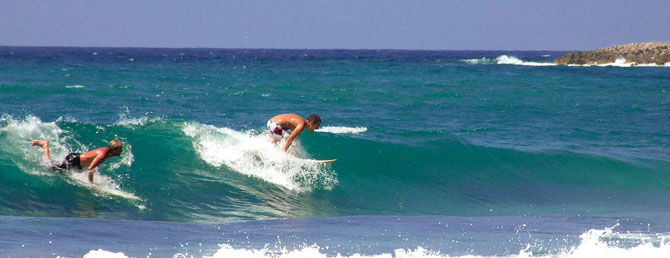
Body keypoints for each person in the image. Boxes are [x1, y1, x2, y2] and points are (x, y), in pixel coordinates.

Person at [31, 139, 123, 183]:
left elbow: (95, 163)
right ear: (114, 150)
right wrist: (91, 184)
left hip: (78, 162)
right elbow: (91, 169)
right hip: (73, 160)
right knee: (50, 167)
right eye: (120, 149)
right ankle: (44, 145)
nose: (121, 151)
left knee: (56, 166)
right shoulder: (103, 154)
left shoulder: (106, 152)